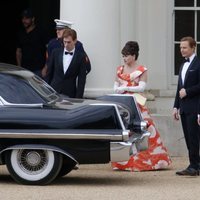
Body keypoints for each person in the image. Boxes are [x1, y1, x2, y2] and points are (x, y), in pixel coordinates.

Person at [111, 41, 171, 171]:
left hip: (137, 103)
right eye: (123, 56)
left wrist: (126, 87)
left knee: (143, 130)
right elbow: (115, 84)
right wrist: (117, 89)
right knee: (125, 131)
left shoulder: (141, 70)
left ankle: (148, 162)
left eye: (126, 55)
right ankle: (122, 163)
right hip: (122, 104)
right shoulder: (120, 69)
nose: (124, 58)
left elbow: (142, 87)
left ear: (133, 55)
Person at [173, 36, 200, 176]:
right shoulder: (183, 65)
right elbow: (179, 88)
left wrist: (188, 92)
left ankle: (194, 166)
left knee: (194, 138)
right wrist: (175, 106)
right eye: (180, 48)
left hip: (195, 107)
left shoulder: (199, 64)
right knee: (189, 138)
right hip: (184, 108)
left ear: (193, 47)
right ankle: (196, 165)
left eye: (184, 47)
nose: (182, 50)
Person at [47, 28, 87, 98]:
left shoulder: (81, 57)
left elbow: (82, 80)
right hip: (54, 92)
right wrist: (47, 92)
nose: (66, 45)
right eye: (64, 42)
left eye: (69, 42)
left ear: (75, 41)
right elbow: (49, 74)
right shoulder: (55, 52)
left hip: (70, 93)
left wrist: (78, 98)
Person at [16, 9, 47, 78]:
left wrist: (45, 68)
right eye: (23, 18)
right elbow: (18, 51)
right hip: (24, 70)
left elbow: (49, 50)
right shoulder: (21, 33)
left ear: (33, 19)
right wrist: (19, 67)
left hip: (38, 70)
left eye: (27, 18)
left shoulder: (41, 32)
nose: (24, 21)